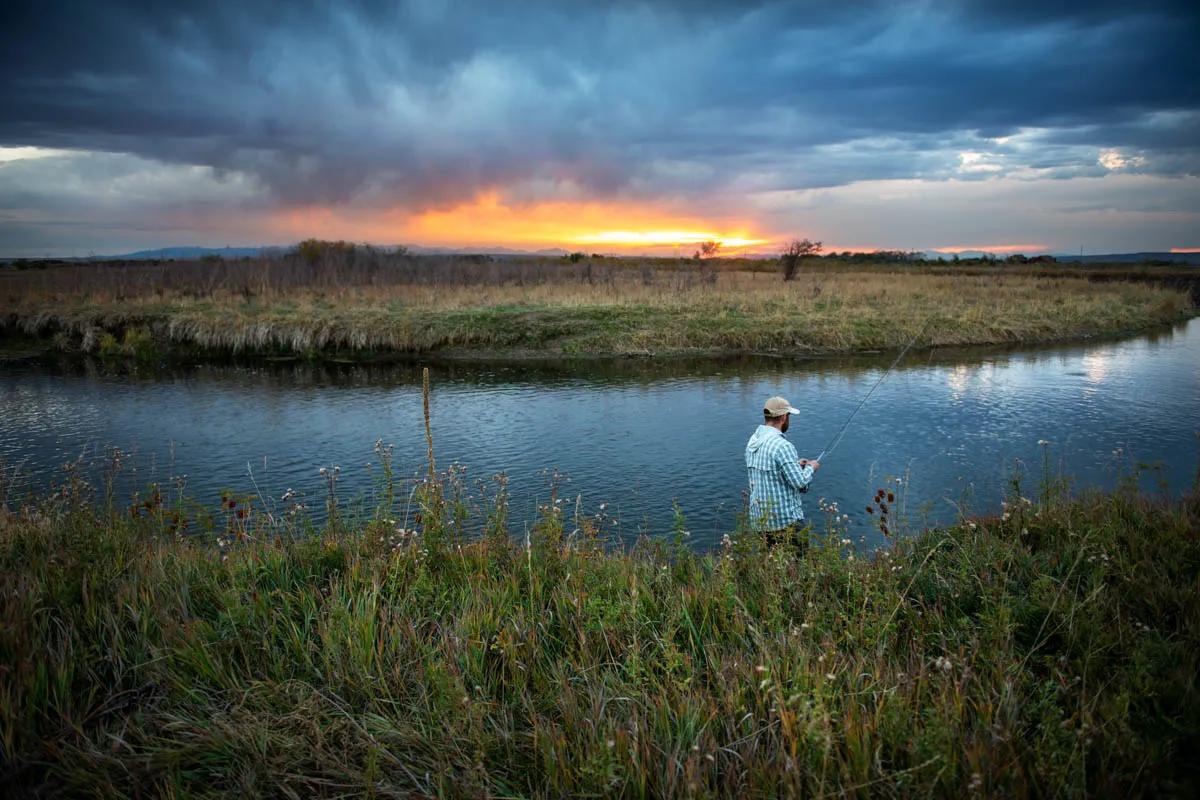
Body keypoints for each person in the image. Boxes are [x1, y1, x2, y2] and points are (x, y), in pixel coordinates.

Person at [745, 396, 820, 550]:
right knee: (801, 566)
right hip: (785, 523)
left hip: (760, 522)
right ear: (784, 417)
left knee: (771, 568)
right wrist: (811, 467)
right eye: (789, 416)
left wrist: (794, 464)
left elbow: (770, 468)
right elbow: (800, 483)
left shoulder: (752, 441)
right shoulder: (783, 445)